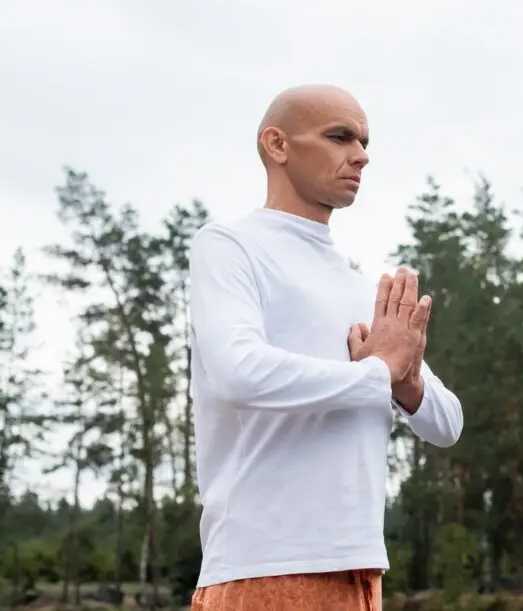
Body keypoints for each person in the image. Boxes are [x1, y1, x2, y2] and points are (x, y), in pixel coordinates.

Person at [187, 85, 463, 610]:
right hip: (261, 568)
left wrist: (406, 382)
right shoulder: (229, 244)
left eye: (363, 141)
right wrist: (379, 373)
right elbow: (237, 371)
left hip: (361, 572)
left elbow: (447, 423)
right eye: (340, 137)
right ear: (277, 144)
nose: (361, 155)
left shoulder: (361, 286)